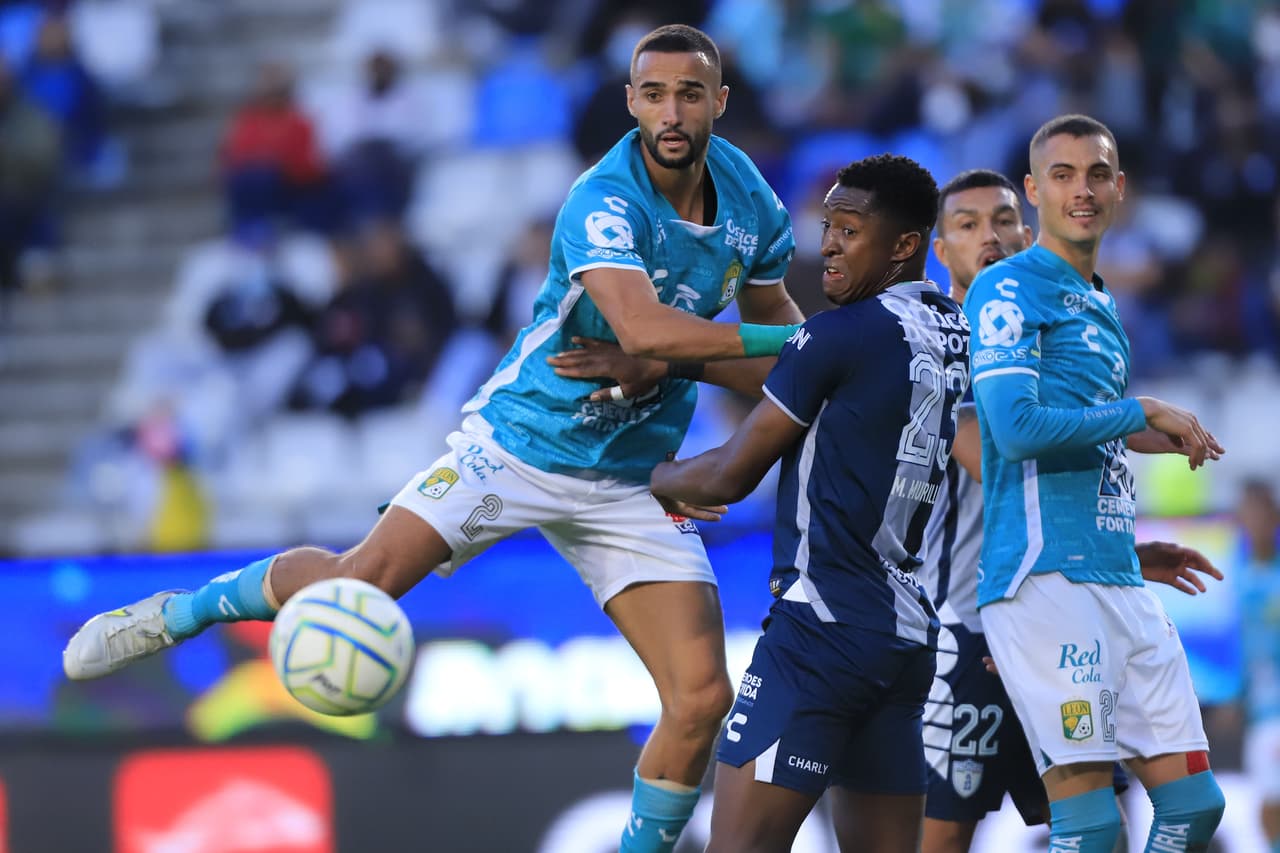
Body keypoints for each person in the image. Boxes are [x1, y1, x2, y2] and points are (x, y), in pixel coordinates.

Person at [63, 25, 805, 853]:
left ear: (719, 102)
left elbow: (781, 367)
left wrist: (715, 363)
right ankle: (178, 612)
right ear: (631, 102)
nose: (673, 111)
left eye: (691, 94)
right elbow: (651, 326)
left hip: (634, 477)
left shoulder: (753, 205)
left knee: (702, 696)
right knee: (360, 579)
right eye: (656, 93)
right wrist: (779, 351)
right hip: (522, 444)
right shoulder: (602, 199)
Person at [651, 153, 963, 853]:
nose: (827, 244)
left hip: (819, 631)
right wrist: (672, 360)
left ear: (906, 245)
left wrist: (652, 478)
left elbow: (731, 475)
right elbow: (818, 371)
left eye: (850, 230)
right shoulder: (948, 333)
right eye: (827, 226)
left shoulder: (840, 332)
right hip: (901, 638)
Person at [922, 168, 1224, 853]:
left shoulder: (1054, 321)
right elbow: (995, 449)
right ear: (941, 249)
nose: (990, 236)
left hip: (1055, 595)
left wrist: (1121, 554)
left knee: (1102, 828)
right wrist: (1136, 415)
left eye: (1003, 221)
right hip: (963, 627)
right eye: (968, 225)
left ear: (1027, 232)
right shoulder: (937, 343)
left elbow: (1062, 444)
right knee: (943, 839)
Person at [1236, 479, 1280, 853]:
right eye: (1247, 513)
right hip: (1259, 711)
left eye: (1261, 513)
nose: (1254, 521)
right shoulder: (1233, 575)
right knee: (1267, 804)